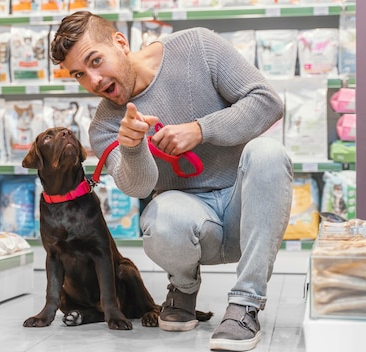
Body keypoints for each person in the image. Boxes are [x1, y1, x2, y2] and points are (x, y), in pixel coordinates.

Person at [50, 11, 293, 352]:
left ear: (120, 42)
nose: (93, 80)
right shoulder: (106, 126)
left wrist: (201, 130)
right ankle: (183, 286)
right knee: (159, 216)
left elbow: (268, 102)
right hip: (192, 222)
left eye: (95, 61)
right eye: (80, 75)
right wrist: (132, 148)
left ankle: (245, 305)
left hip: (246, 208)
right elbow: (136, 188)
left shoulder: (198, 46)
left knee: (268, 153)